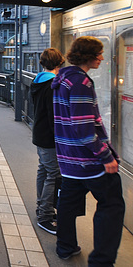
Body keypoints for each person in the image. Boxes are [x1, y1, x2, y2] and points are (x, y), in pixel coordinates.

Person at [51, 36, 125, 265]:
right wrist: (105, 155)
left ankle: (65, 247)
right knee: (112, 206)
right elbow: (83, 129)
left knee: (68, 203)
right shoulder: (81, 83)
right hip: (89, 160)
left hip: (68, 158)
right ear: (89, 56)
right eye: (99, 54)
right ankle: (101, 261)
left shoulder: (62, 78)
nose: (102, 58)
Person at [30, 48, 64, 235]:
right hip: (50, 138)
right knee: (53, 174)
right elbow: (54, 116)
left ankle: (41, 207)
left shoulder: (38, 80)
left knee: (44, 170)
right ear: (59, 63)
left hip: (39, 133)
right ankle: (45, 216)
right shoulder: (53, 85)